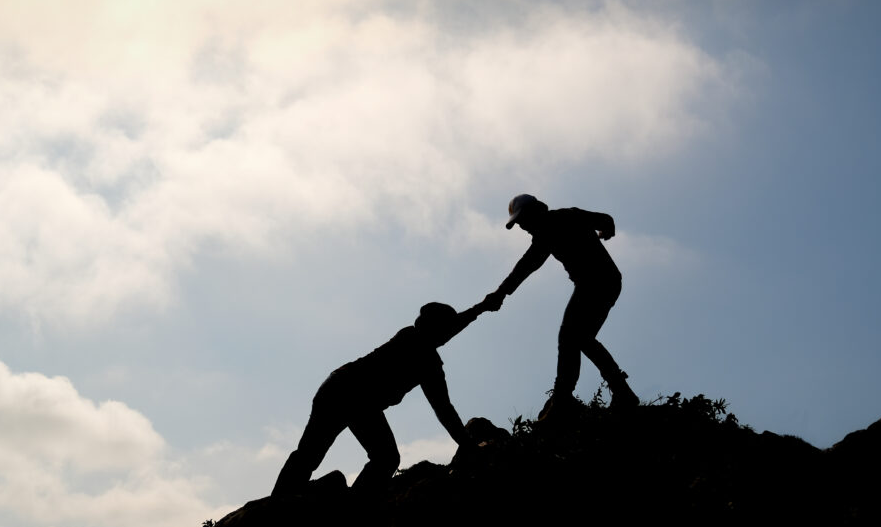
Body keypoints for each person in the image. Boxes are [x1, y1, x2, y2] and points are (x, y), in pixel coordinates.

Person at [272, 301, 489, 496]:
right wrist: (469, 446)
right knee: (383, 458)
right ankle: (349, 510)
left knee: (312, 455)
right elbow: (444, 410)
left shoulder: (412, 339)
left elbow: (454, 325)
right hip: (352, 396)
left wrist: (481, 308)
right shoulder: (421, 352)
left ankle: (282, 503)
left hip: (340, 388)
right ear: (439, 329)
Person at [484, 194, 639, 419]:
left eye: (523, 221)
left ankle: (566, 397)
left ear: (536, 212)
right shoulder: (551, 228)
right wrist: (606, 229)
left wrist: (500, 294)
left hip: (598, 281)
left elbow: (526, 266)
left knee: (573, 338)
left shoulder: (560, 220)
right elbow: (606, 220)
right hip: (599, 283)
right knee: (578, 339)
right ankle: (577, 395)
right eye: (519, 224)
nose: (523, 227)